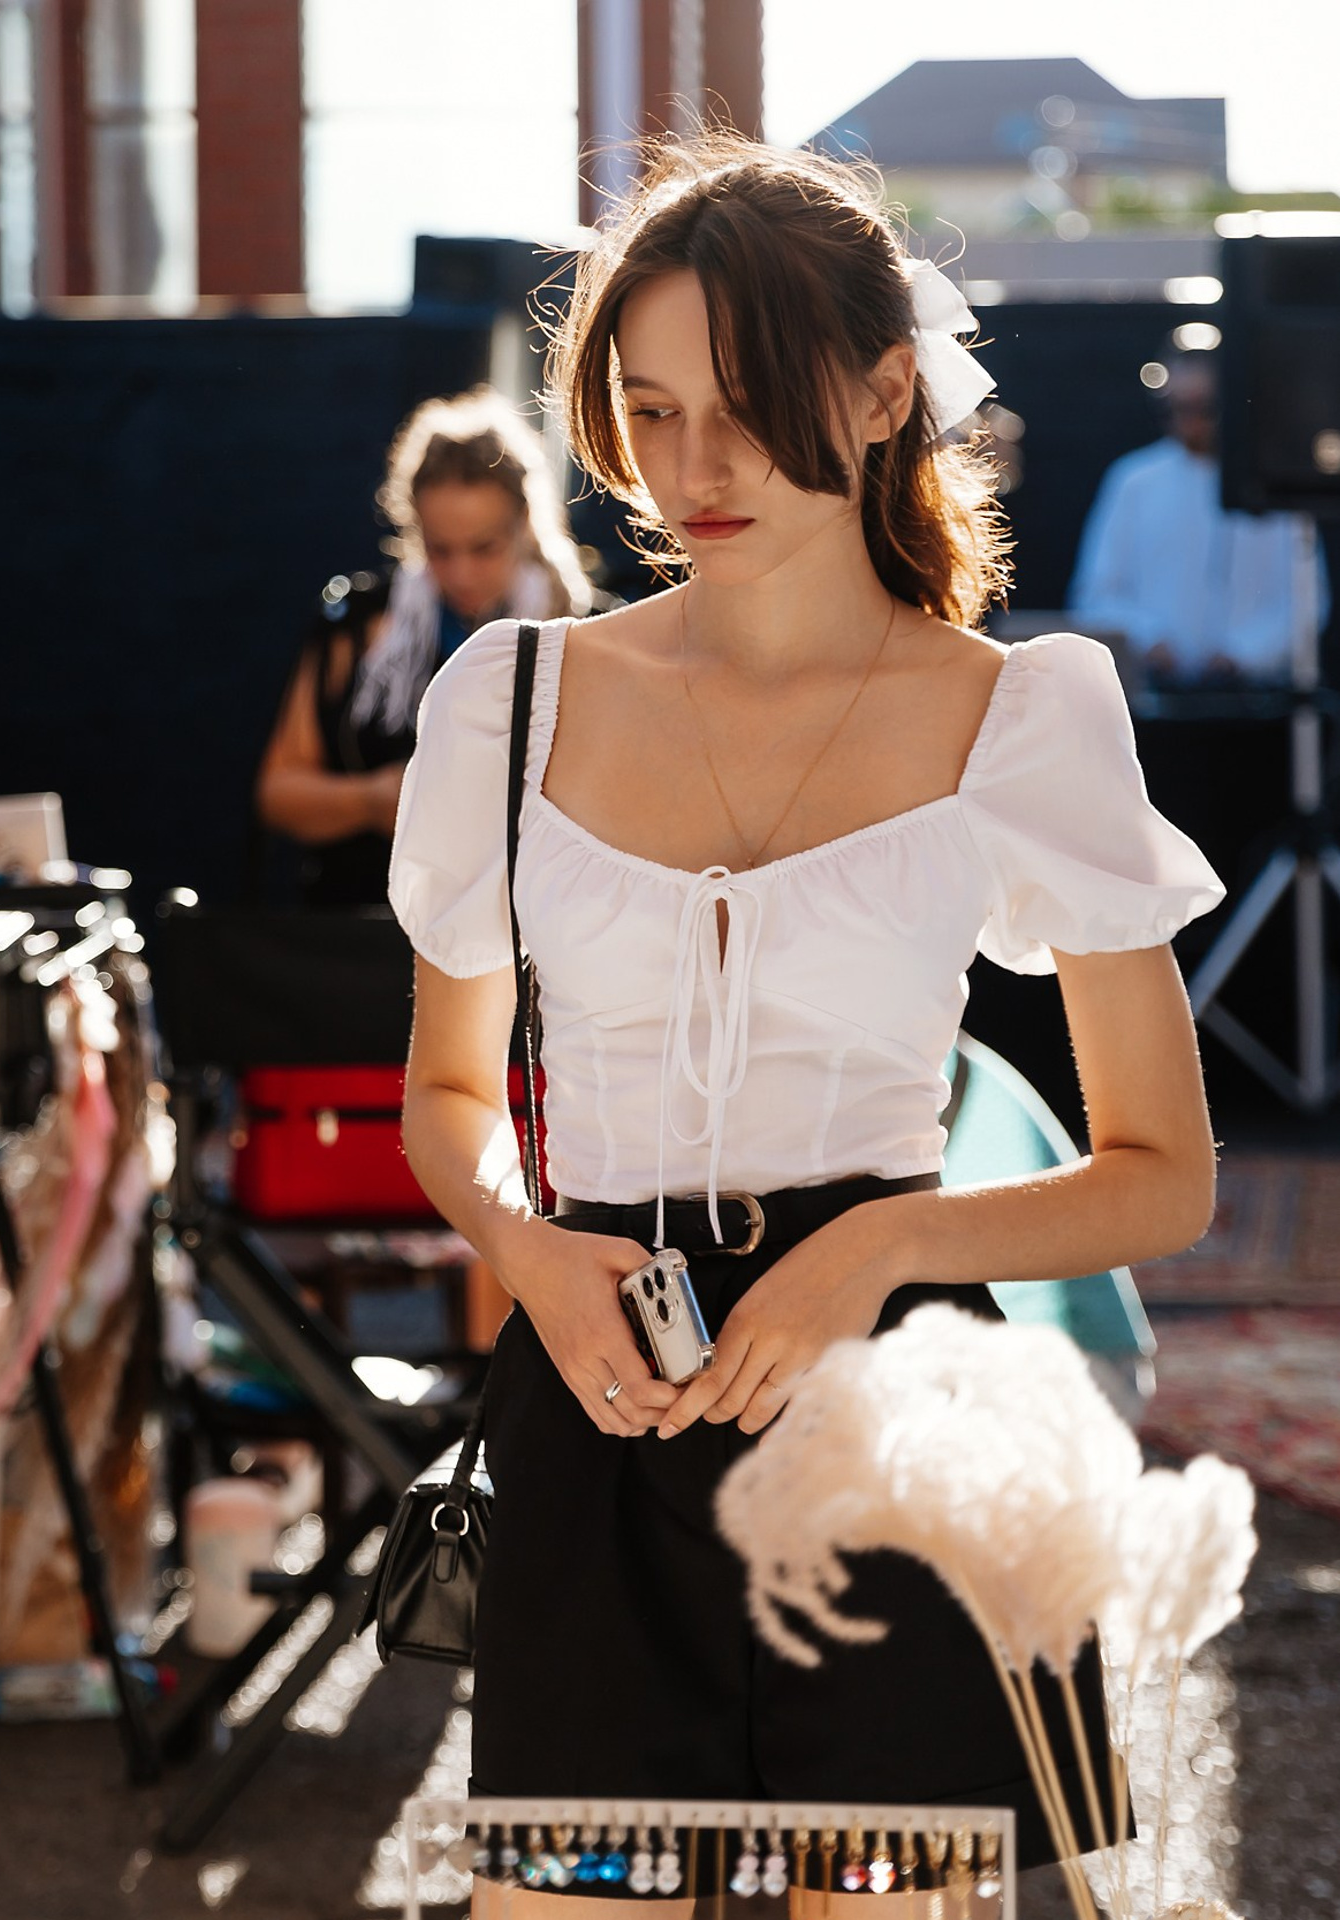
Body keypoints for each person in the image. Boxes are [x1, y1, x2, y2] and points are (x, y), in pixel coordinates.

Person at [389, 132, 1224, 1916]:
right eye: (651, 408)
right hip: (594, 1430)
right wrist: (525, 1247)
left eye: (749, 407)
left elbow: (1163, 1180)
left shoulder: (1025, 717)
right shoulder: (507, 701)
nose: (693, 468)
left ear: (882, 390)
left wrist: (888, 1248)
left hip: (897, 1451)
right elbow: (449, 1093)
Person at [256, 387, 592, 908]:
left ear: (524, 523)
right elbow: (279, 794)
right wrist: (372, 800)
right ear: (413, 526)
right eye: (440, 549)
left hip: (523, 923)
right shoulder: (359, 624)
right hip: (367, 919)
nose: (460, 574)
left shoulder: (577, 628)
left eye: (484, 549)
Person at [1069, 351, 1329, 687]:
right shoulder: (1134, 481)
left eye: (1203, 409)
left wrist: (1244, 652)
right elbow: (1096, 594)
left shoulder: (1271, 484)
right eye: (1176, 409)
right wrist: (1148, 638)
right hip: (1156, 696)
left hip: (1254, 699)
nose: (1188, 421)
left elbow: (1307, 600)